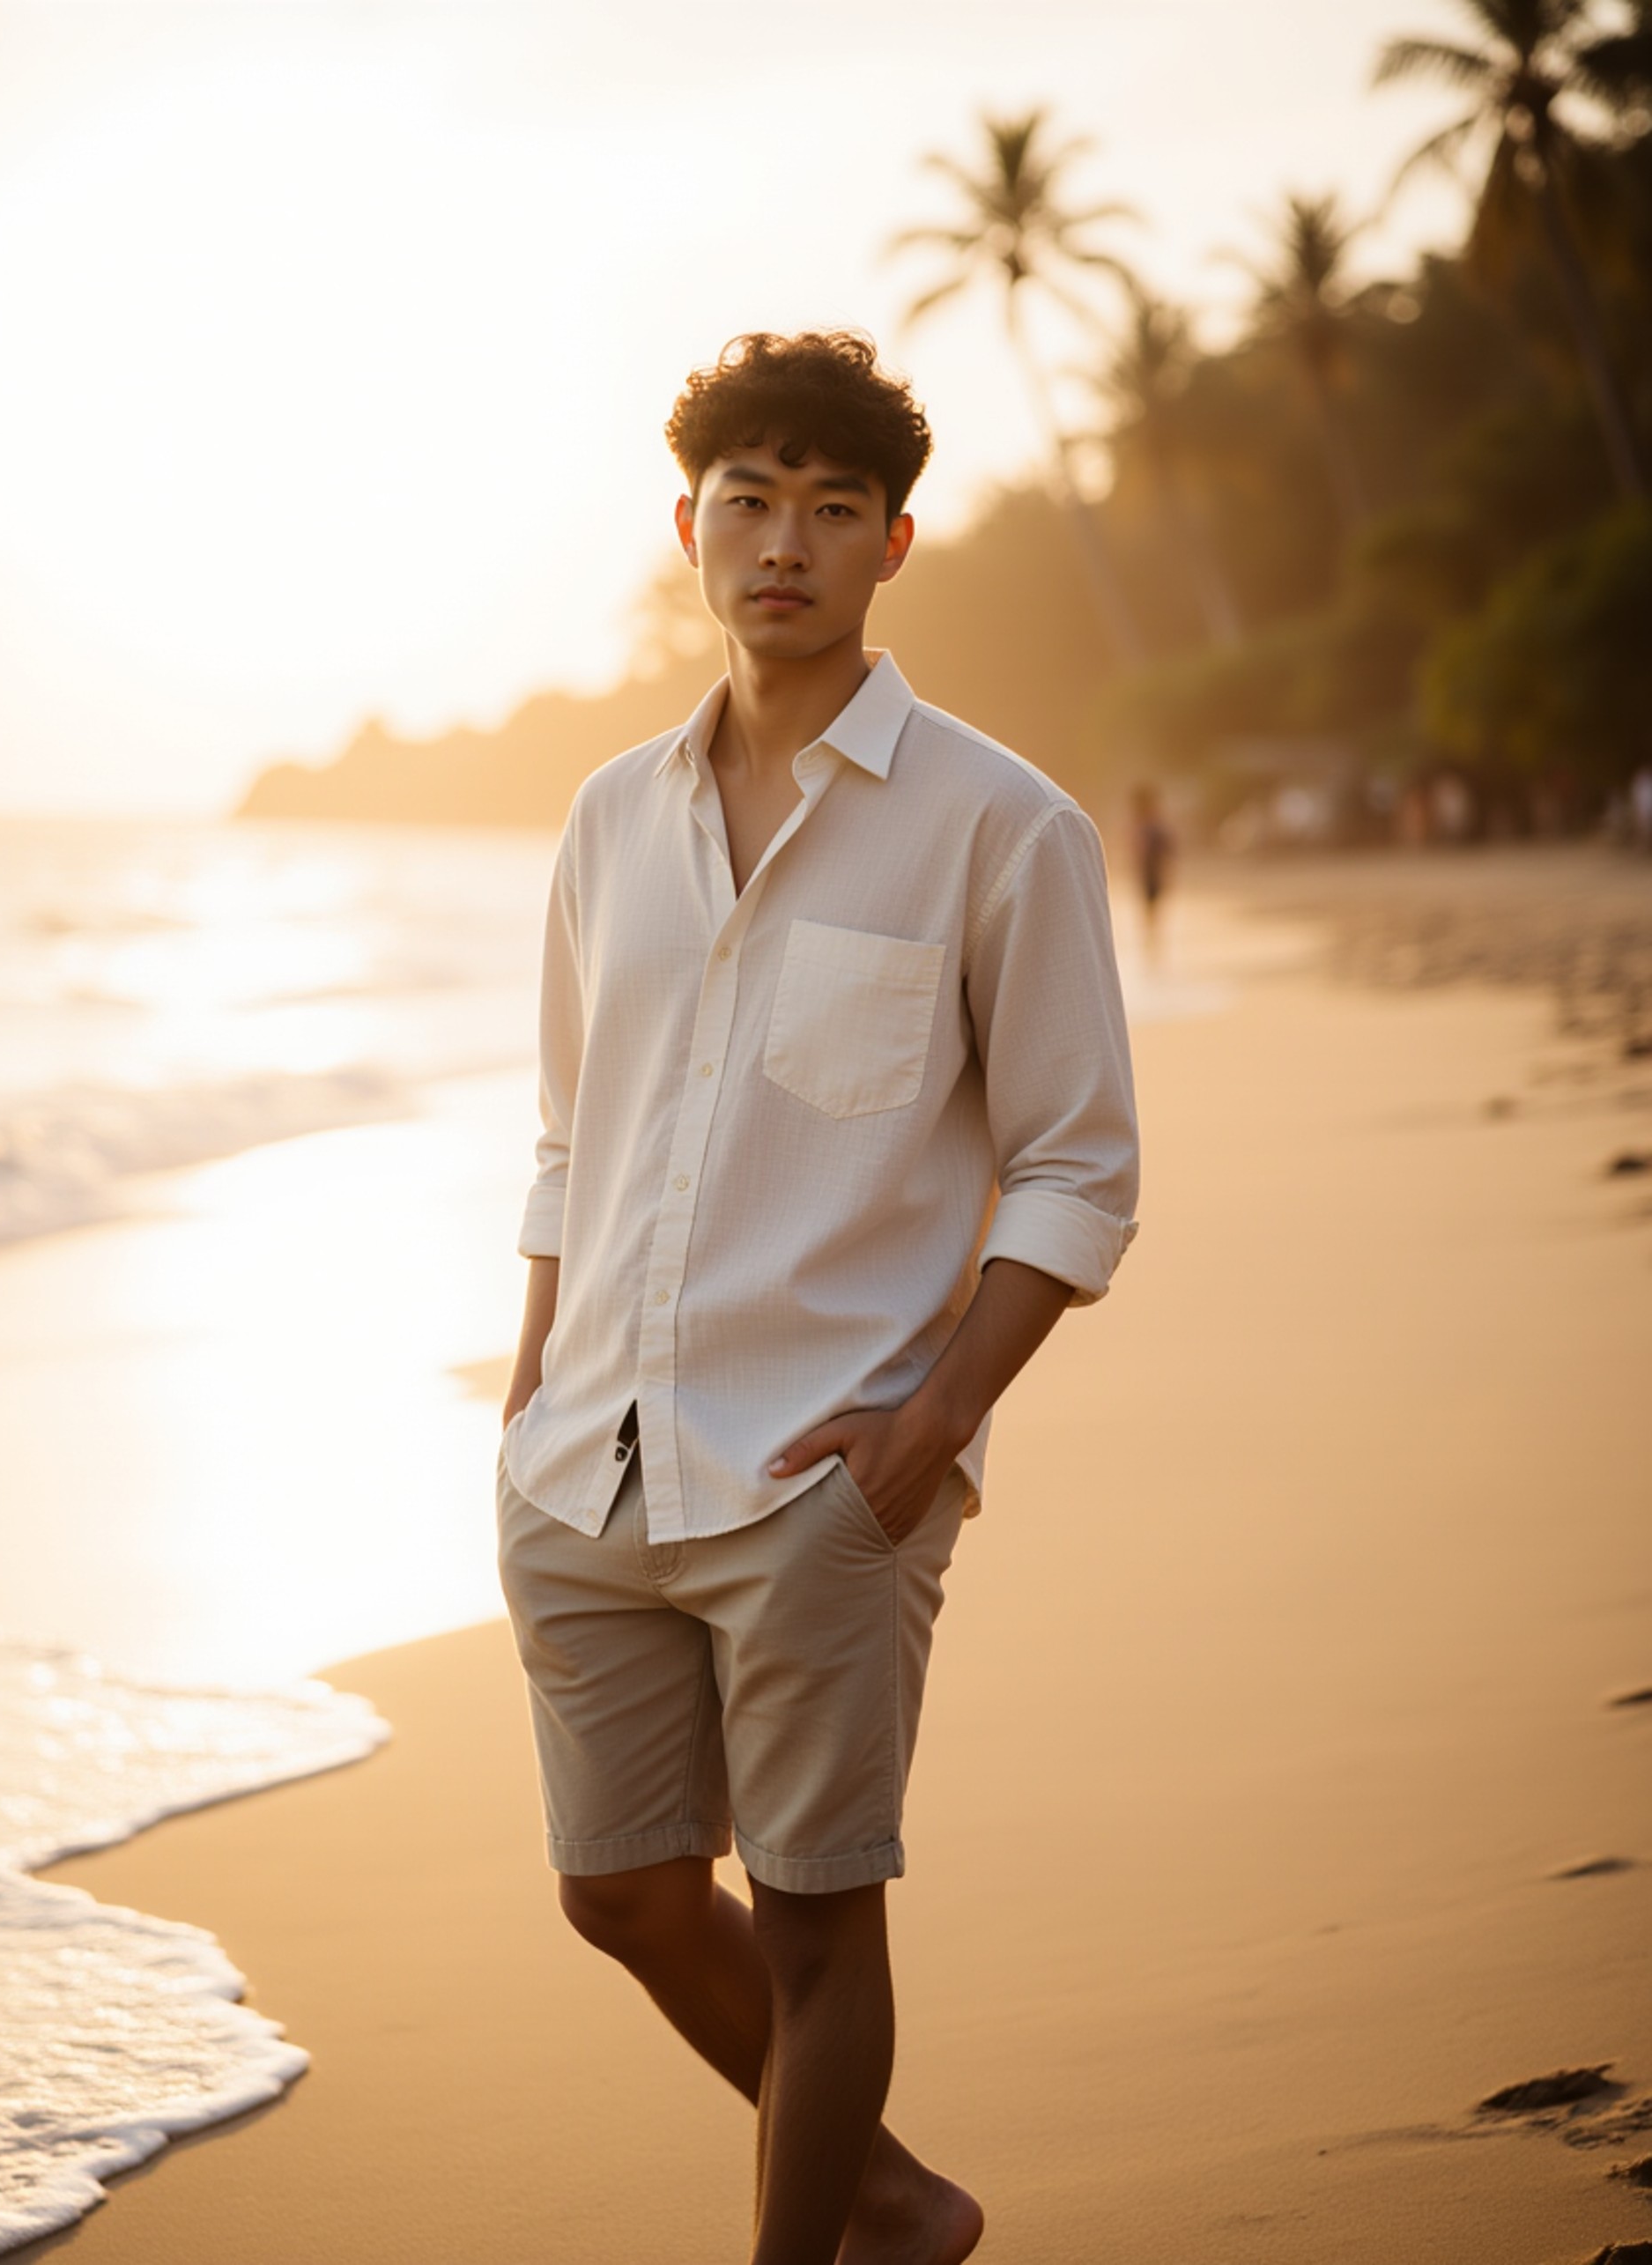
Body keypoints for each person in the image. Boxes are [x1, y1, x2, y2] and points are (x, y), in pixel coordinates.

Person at [497, 329, 1140, 2265]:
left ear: (892, 546)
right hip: (586, 1467)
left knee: (813, 1904)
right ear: (687, 525)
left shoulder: (996, 823)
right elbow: (562, 1132)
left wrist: (931, 1425)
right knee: (616, 1887)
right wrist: (528, 1399)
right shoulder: (610, 819)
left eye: (831, 508)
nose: (784, 541)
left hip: (819, 1472)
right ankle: (886, 2193)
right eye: (749, 500)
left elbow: (1077, 1164)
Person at [1129, 782, 1174, 966]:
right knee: (1150, 912)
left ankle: (1152, 947)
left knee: (1151, 912)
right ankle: (1151, 947)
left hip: (1151, 873)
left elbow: (1165, 852)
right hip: (1148, 873)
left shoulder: (1150, 825)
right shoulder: (1148, 824)